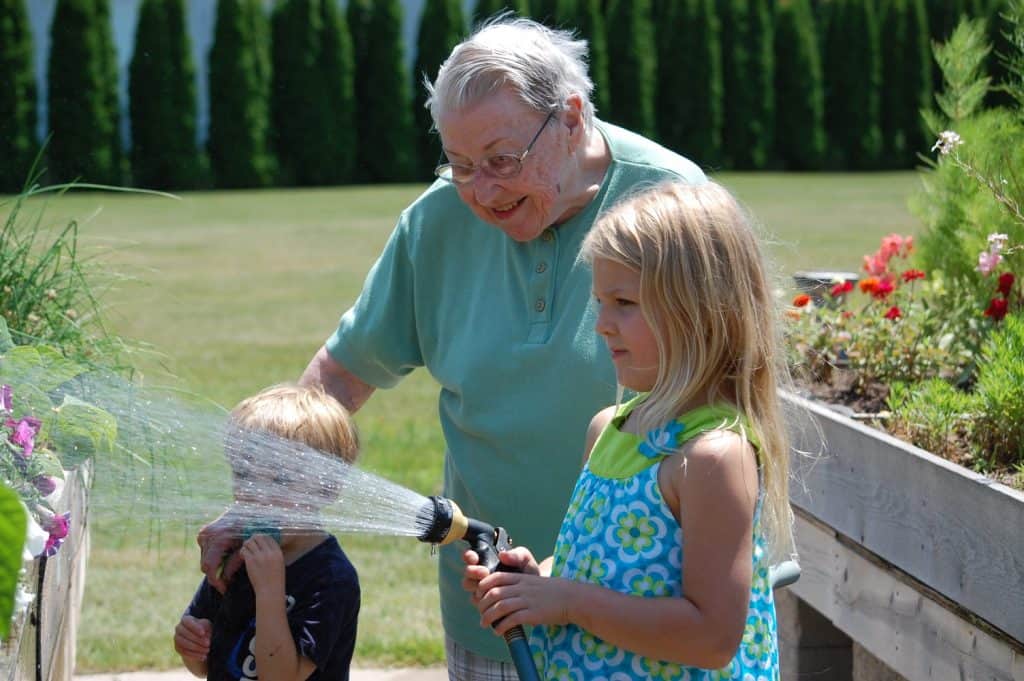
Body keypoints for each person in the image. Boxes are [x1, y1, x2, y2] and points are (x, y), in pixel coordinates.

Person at [200, 16, 706, 679]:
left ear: (571, 117)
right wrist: (258, 503)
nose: (483, 191)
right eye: (461, 164)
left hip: (645, 620)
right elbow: (342, 375)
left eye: (501, 159)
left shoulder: (674, 204)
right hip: (490, 616)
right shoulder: (440, 218)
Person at [463, 181, 796, 679]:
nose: (601, 324)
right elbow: (611, 574)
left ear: (700, 312)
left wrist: (568, 601)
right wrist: (537, 582)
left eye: (623, 302)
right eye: (600, 301)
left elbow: (711, 637)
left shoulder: (712, 456)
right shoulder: (608, 430)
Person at [177, 384, 362, 681]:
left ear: (328, 488)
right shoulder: (238, 553)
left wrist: (269, 591)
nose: (258, 494)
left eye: (281, 478)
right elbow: (204, 666)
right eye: (245, 474)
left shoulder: (330, 577)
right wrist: (191, 646)